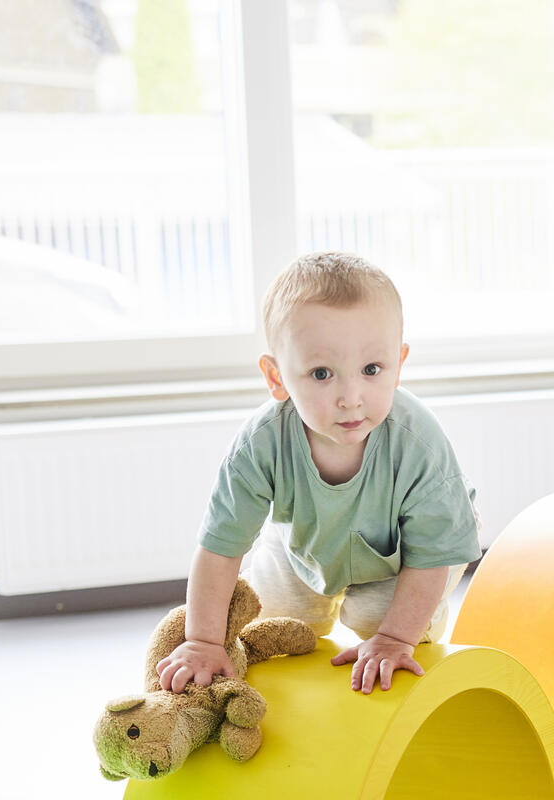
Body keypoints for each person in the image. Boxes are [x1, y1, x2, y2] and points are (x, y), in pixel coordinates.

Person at [156, 251, 480, 697]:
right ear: (276, 377)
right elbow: (219, 547)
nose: (351, 397)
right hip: (307, 544)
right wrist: (203, 642)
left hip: (413, 553)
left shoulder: (418, 443)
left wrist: (395, 638)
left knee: (376, 620)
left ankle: (409, 625)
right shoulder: (261, 443)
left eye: (371, 369)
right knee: (274, 621)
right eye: (322, 373)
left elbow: (434, 551)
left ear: (399, 365)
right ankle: (299, 578)